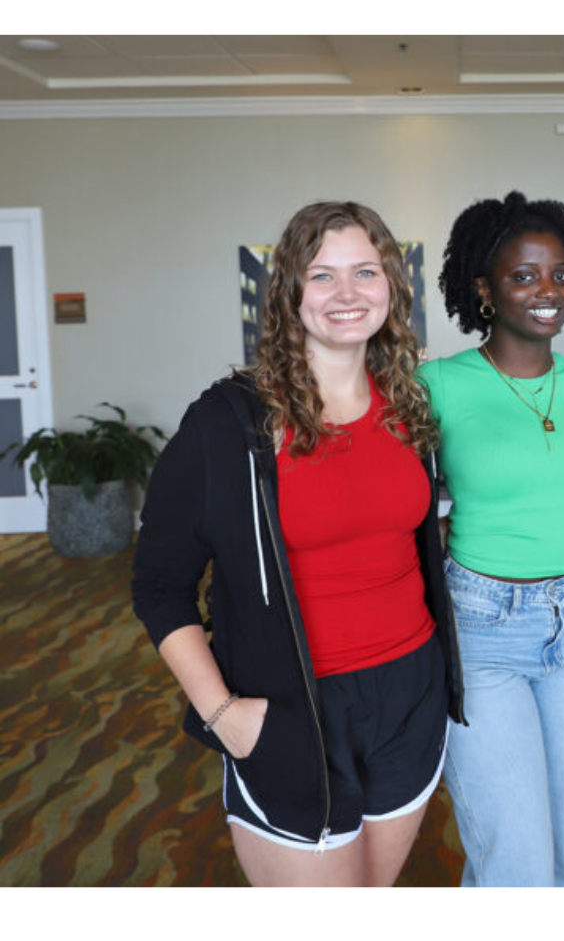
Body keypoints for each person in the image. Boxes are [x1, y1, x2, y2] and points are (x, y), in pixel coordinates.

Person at [132, 201, 463, 887]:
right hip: (288, 708)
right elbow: (159, 587)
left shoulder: (408, 407)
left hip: (408, 696)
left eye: (365, 272)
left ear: (393, 289)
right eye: (322, 275)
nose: (347, 294)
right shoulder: (226, 423)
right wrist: (222, 714)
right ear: (289, 294)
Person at [418, 191, 564, 887]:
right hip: (482, 629)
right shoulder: (435, 384)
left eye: (561, 274)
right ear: (484, 288)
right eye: (524, 275)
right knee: (517, 864)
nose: (547, 291)